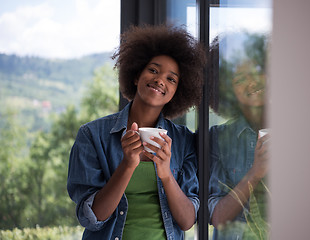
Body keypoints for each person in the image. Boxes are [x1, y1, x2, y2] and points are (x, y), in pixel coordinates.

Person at [67, 24, 206, 240]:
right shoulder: (92, 135)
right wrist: (127, 165)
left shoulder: (184, 140)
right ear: (135, 75)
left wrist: (166, 174)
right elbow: (91, 218)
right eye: (153, 70)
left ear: (177, 92)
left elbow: (187, 221)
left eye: (171, 79)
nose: (160, 80)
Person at [208, 33, 270, 239]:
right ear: (226, 88)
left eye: (257, 70)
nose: (251, 82)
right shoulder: (219, 138)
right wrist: (256, 172)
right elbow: (217, 217)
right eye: (240, 78)